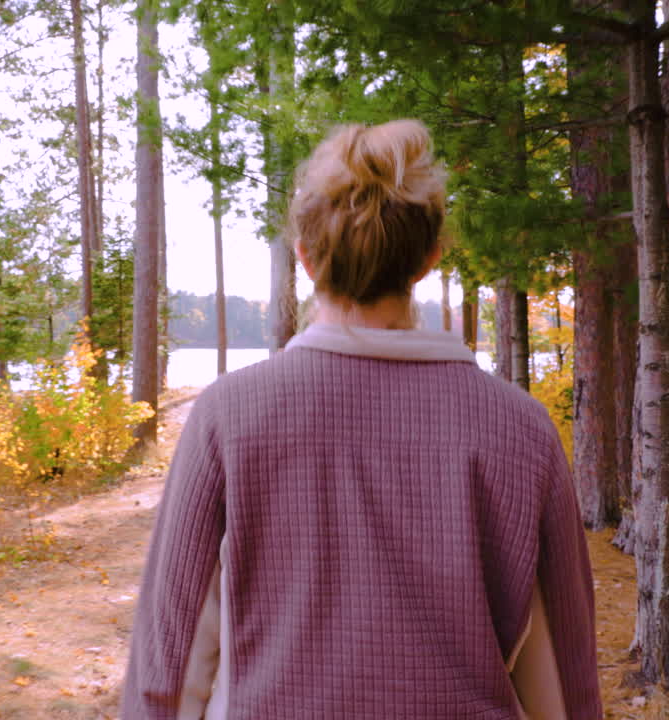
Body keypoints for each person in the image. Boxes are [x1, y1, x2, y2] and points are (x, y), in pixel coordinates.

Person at [119, 119, 600, 719]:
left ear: (306, 257)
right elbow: (562, 666)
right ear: (428, 257)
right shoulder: (520, 428)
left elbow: (173, 656)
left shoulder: (229, 416)